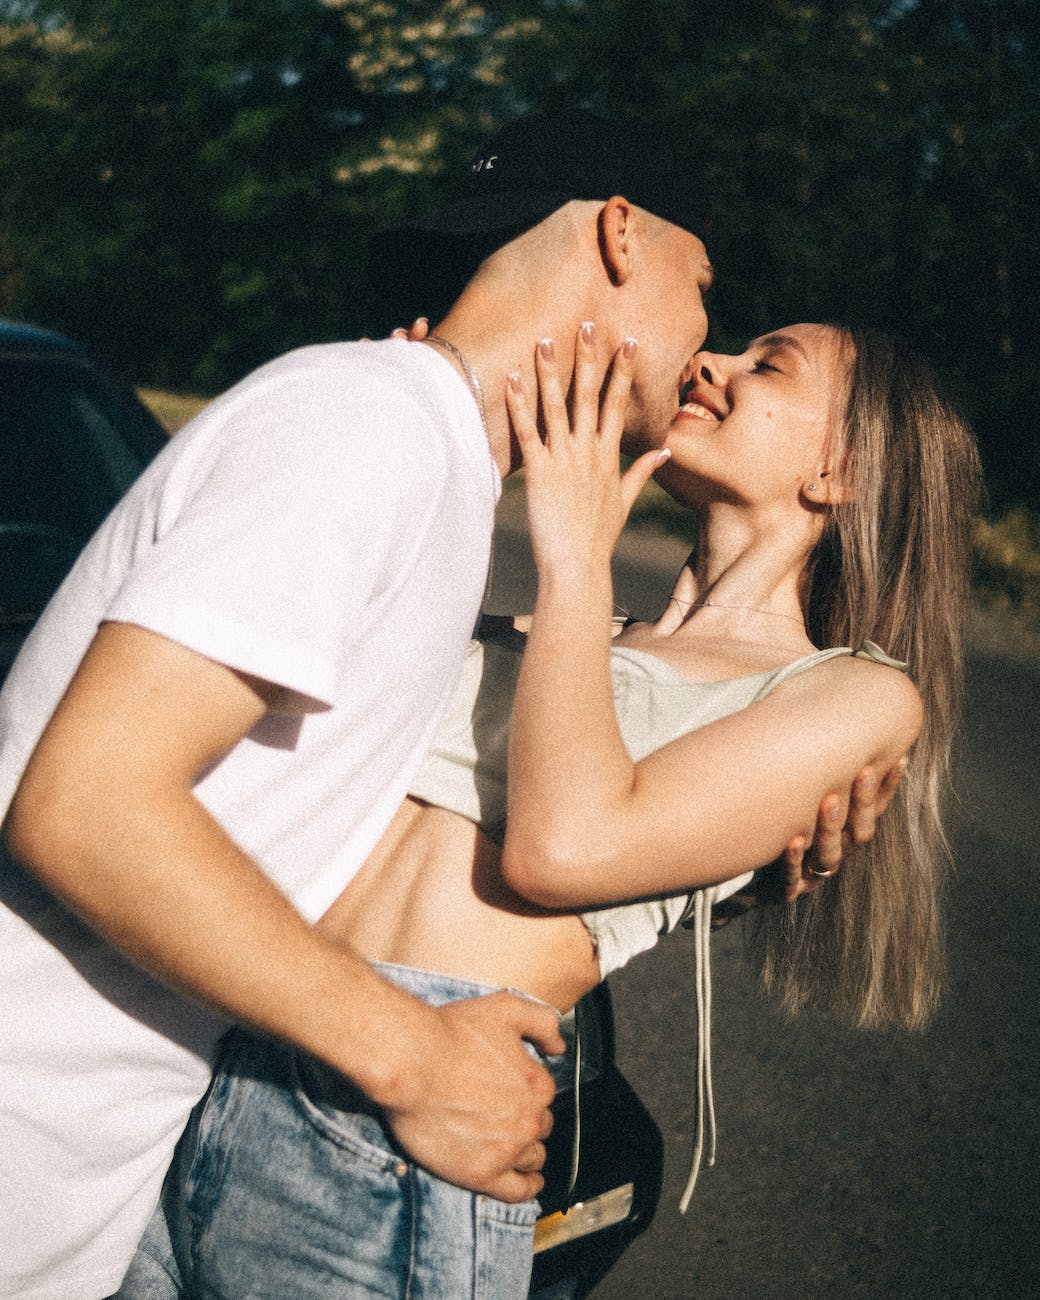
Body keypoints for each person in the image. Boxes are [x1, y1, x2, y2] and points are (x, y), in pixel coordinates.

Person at [0, 110, 869, 1299]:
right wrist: (413, 1053)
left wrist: (720, 853)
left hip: (138, 1137)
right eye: (707, 289)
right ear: (622, 234)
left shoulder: (419, 457)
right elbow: (88, 805)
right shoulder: (375, 425)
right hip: (88, 1124)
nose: (707, 345)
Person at [119, 319, 980, 1299]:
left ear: (841, 470)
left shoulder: (851, 694)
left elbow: (560, 846)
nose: (708, 363)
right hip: (239, 1032)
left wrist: (575, 556)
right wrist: (434, 429)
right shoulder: (566, 635)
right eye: (725, 349)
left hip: (399, 1132)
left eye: (765, 363)